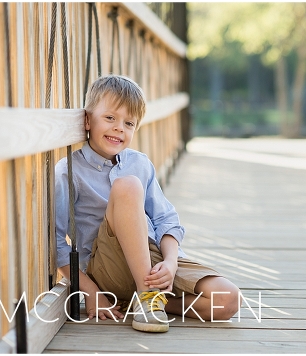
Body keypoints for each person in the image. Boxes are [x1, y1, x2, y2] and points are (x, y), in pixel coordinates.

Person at [55, 75, 240, 333]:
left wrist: (171, 262)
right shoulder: (69, 171)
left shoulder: (140, 163)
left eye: (129, 123)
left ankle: (146, 300)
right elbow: (56, 244)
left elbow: (166, 221)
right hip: (109, 267)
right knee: (127, 186)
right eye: (110, 118)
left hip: (152, 257)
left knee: (228, 300)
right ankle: (148, 298)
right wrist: (91, 292)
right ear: (88, 120)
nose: (119, 128)